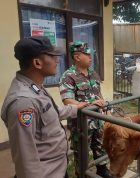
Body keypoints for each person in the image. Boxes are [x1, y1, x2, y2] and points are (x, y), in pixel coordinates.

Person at [1, 36, 87, 178]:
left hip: (57, 168)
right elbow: (25, 160)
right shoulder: (23, 102)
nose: (57, 60)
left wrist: (76, 108)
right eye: (52, 56)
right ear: (37, 63)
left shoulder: (34, 86)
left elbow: (50, 113)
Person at [59, 41, 112, 178]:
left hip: (97, 120)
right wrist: (92, 103)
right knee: (81, 152)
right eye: (87, 54)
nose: (90, 57)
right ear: (77, 57)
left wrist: (104, 104)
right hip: (81, 124)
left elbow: (98, 94)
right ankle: (82, 174)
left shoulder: (93, 73)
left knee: (100, 146)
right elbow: (68, 101)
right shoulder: (68, 76)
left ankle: (102, 169)